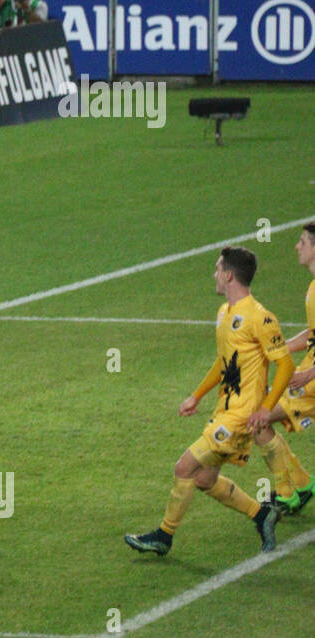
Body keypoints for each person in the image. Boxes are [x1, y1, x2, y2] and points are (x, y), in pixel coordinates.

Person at [125, 247, 291, 555]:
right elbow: (224, 362)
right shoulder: (224, 314)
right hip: (223, 410)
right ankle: (261, 513)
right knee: (203, 478)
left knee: (183, 468)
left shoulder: (260, 317)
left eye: (217, 269)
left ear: (229, 275)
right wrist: (197, 395)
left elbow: (286, 365)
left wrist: (267, 408)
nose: (214, 274)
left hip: (240, 417)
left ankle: (164, 536)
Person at [251, 223, 315, 514]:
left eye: (302, 242)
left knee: (256, 418)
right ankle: (297, 486)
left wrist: (307, 374)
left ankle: (292, 490)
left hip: (311, 382)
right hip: (308, 378)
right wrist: (280, 348)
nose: (296, 247)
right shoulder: (313, 287)